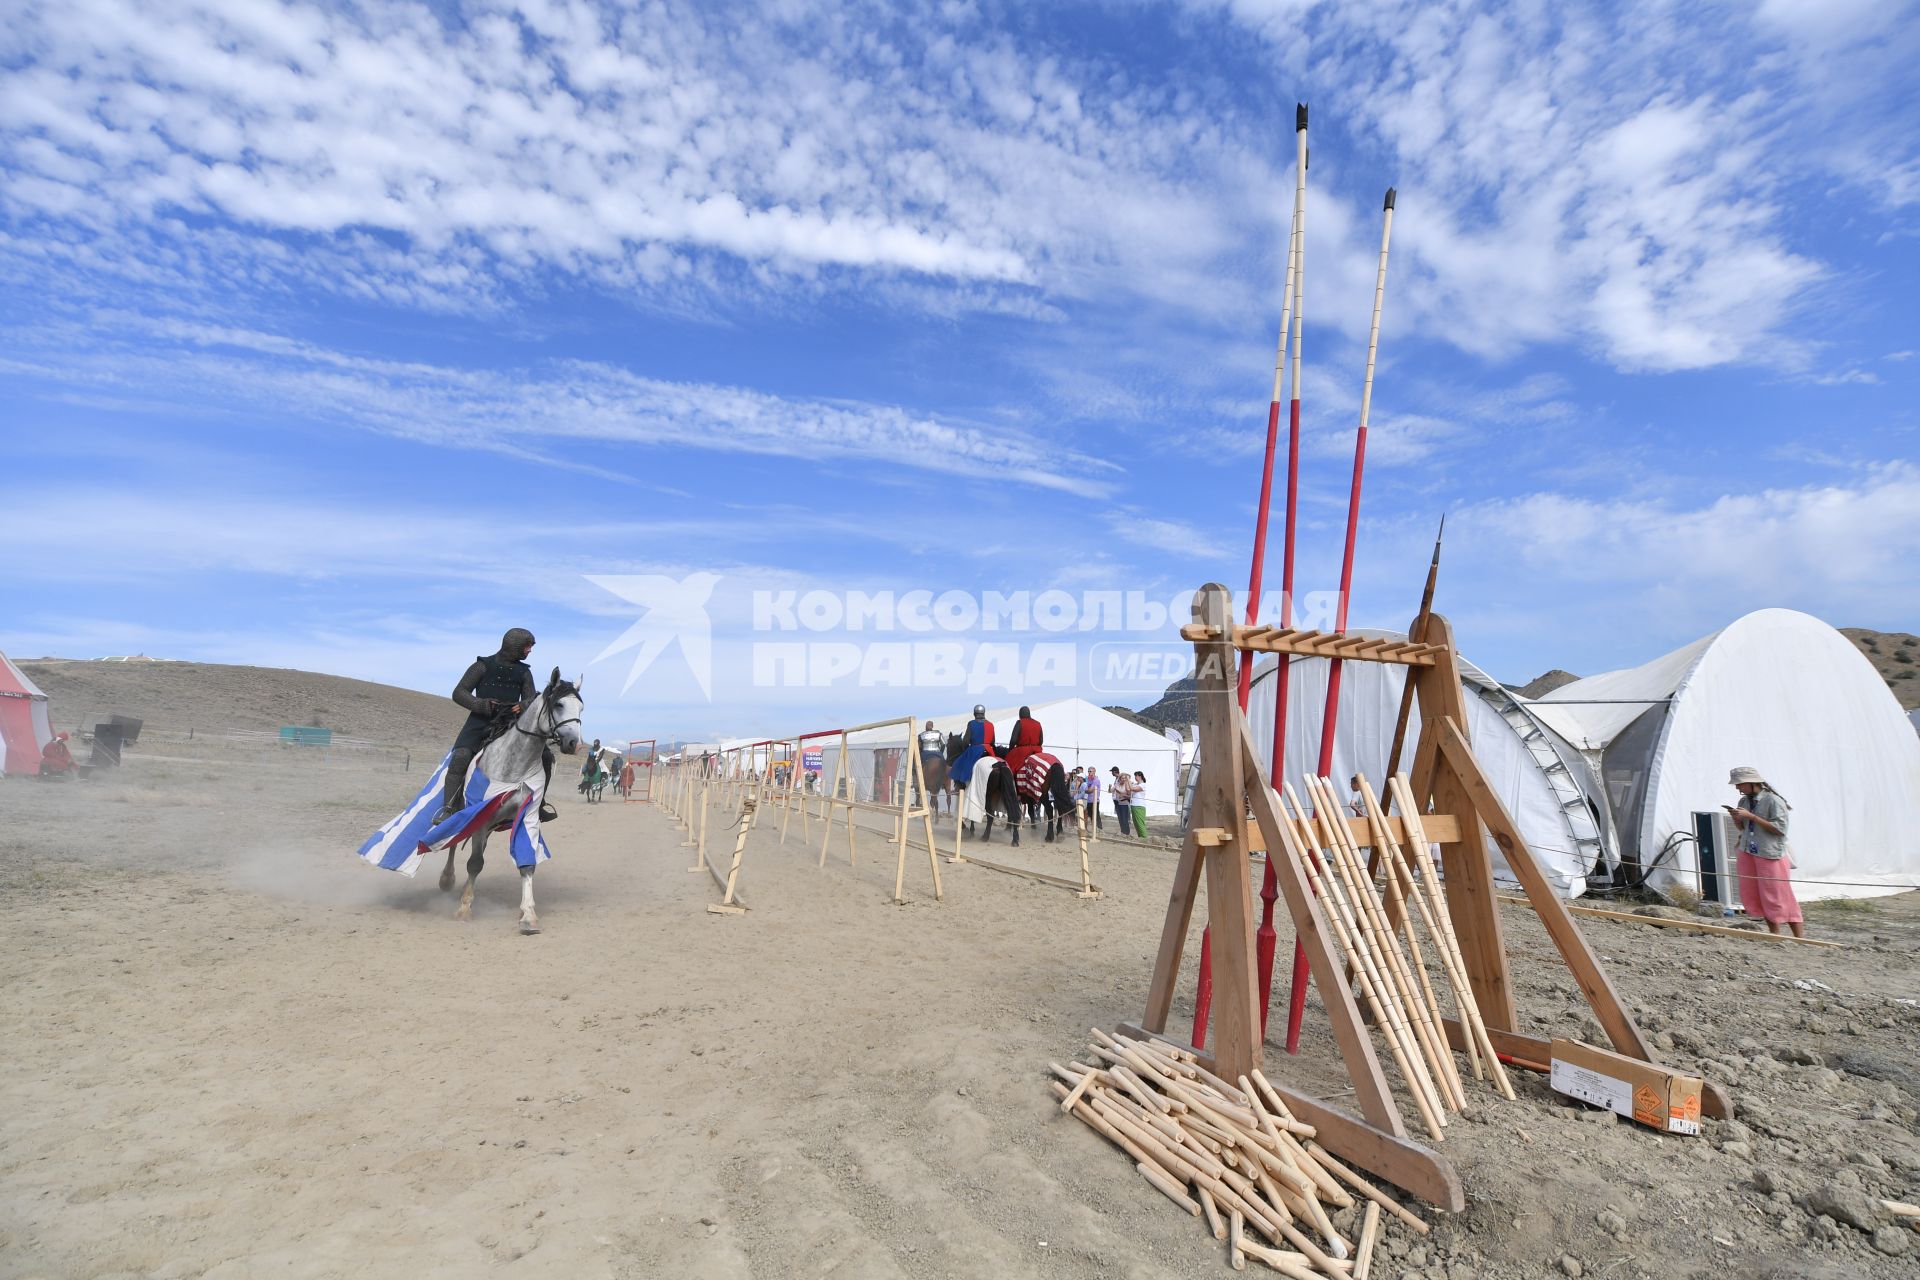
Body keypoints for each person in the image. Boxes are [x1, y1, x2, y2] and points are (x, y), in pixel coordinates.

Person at [435, 628, 538, 823]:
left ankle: (537, 805)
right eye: (527, 646)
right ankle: (447, 809)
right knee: (461, 757)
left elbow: (531, 699)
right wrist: (480, 704)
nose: (530, 651)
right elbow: (459, 692)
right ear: (514, 645)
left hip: (509, 724)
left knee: (542, 756)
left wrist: (523, 705)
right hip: (479, 722)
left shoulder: (524, 672)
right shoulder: (482, 666)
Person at [1726, 766, 1804, 938]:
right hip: (1748, 850)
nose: (1738, 788)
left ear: (1752, 783)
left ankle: (1799, 938)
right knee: (1756, 894)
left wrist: (1752, 817)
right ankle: (1774, 934)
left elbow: (1780, 829)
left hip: (1769, 853)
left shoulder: (1773, 801)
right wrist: (1737, 819)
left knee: (1778, 894)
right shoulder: (1744, 802)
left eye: (1740, 784)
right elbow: (1743, 828)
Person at [950, 704, 996, 784]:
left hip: (975, 750)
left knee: (959, 763)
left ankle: (962, 784)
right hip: (989, 750)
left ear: (974, 714)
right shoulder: (991, 724)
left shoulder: (971, 723)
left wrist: (965, 750)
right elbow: (993, 741)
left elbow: (965, 741)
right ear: (984, 713)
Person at [1004, 705, 1044, 778]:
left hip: (1022, 751)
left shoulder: (1020, 722)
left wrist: (1010, 751)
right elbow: (1041, 741)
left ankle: (1011, 780)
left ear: (1020, 714)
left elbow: (1013, 740)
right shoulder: (1038, 724)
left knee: (1007, 766)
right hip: (1037, 751)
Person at [1131, 771, 1150, 838]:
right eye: (1135, 776)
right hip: (1133, 805)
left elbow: (1132, 789)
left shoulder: (1143, 784)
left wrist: (1128, 781)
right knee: (1136, 823)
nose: (1135, 777)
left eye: (1136, 776)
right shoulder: (1135, 784)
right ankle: (1140, 837)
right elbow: (1129, 790)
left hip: (1139, 806)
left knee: (1140, 823)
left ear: (1140, 776)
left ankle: (1144, 837)